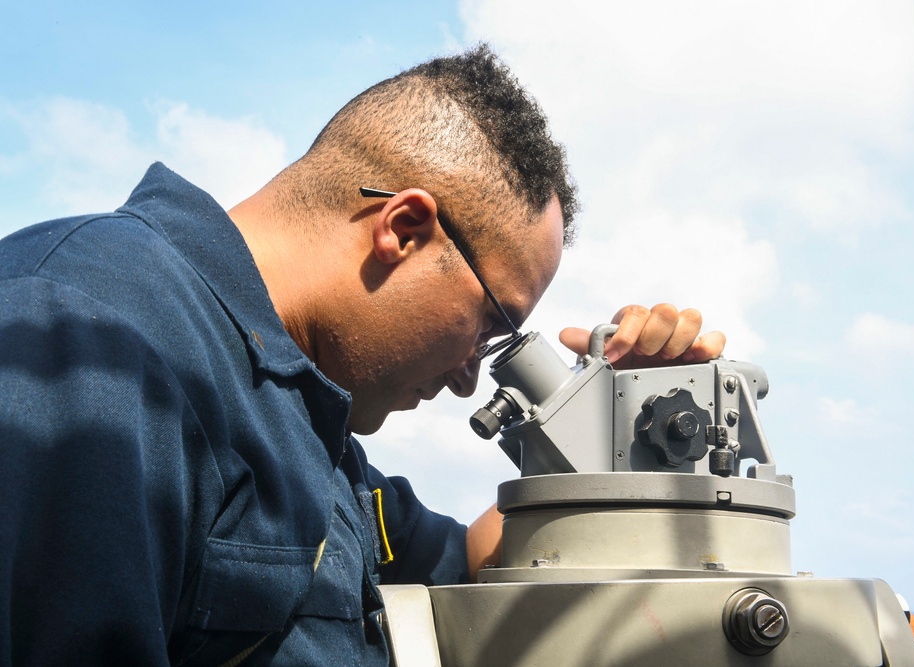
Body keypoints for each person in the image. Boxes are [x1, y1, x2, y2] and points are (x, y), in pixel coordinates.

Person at [0, 45, 725, 665]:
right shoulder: (92, 337)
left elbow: (486, 557)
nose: (471, 374)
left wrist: (625, 436)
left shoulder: (311, 432)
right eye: (488, 323)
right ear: (405, 229)